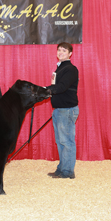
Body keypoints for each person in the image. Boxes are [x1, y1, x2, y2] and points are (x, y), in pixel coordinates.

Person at [46, 42, 79, 179]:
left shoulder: (70, 69)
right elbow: (57, 87)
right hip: (60, 109)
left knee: (67, 141)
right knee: (60, 141)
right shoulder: (60, 69)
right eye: (59, 50)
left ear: (70, 53)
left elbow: (62, 87)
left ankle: (68, 172)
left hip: (67, 109)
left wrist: (45, 90)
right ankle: (62, 168)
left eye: (64, 50)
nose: (60, 52)